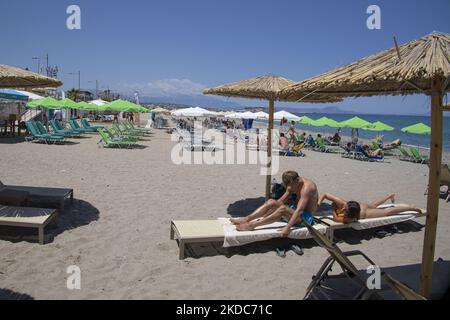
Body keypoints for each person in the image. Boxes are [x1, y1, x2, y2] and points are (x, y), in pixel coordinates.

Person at [230, 171, 319, 237]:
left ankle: (252, 226)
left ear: (297, 180)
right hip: (295, 211)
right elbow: (280, 201)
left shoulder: (307, 188)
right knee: (271, 201)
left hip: (306, 219)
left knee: (283, 209)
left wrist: (287, 228)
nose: (290, 188)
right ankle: (246, 219)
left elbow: (299, 210)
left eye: (291, 185)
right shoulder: (292, 183)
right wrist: (267, 214)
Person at [318, 193, 421, 223]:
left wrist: (333, 209)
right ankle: (389, 196)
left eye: (346, 210)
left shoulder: (349, 218)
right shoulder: (344, 204)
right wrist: (318, 203)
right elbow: (325, 194)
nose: (344, 210)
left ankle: (411, 208)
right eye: (345, 208)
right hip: (359, 205)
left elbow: (336, 219)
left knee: (386, 212)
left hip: (364, 213)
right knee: (373, 205)